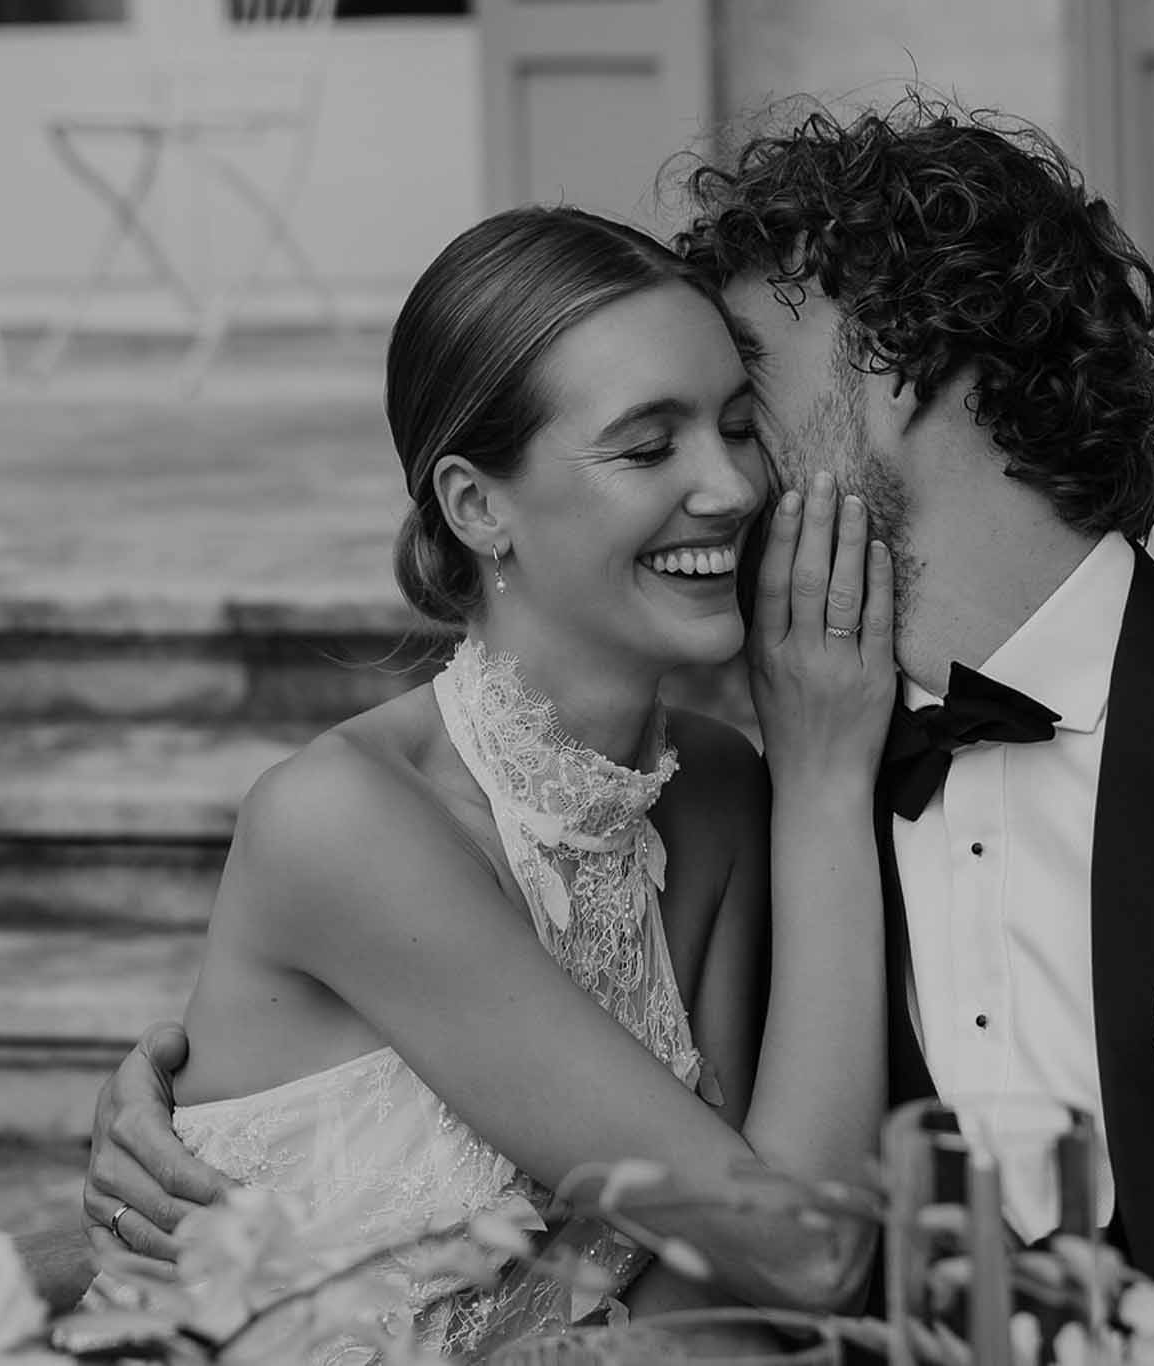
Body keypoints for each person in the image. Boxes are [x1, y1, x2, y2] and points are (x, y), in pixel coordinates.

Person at [89, 99, 1154, 1348]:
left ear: (903, 371)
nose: (738, 475)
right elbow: (771, 1236)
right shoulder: (791, 790)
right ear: (474, 503)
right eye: (670, 434)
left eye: (749, 398)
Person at [81, 205, 897, 1359]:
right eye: (648, 445)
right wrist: (824, 783)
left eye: (734, 426)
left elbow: (726, 1293)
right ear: (477, 507)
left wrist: (802, 780)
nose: (730, 487)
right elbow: (802, 1252)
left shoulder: (713, 793)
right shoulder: (342, 822)